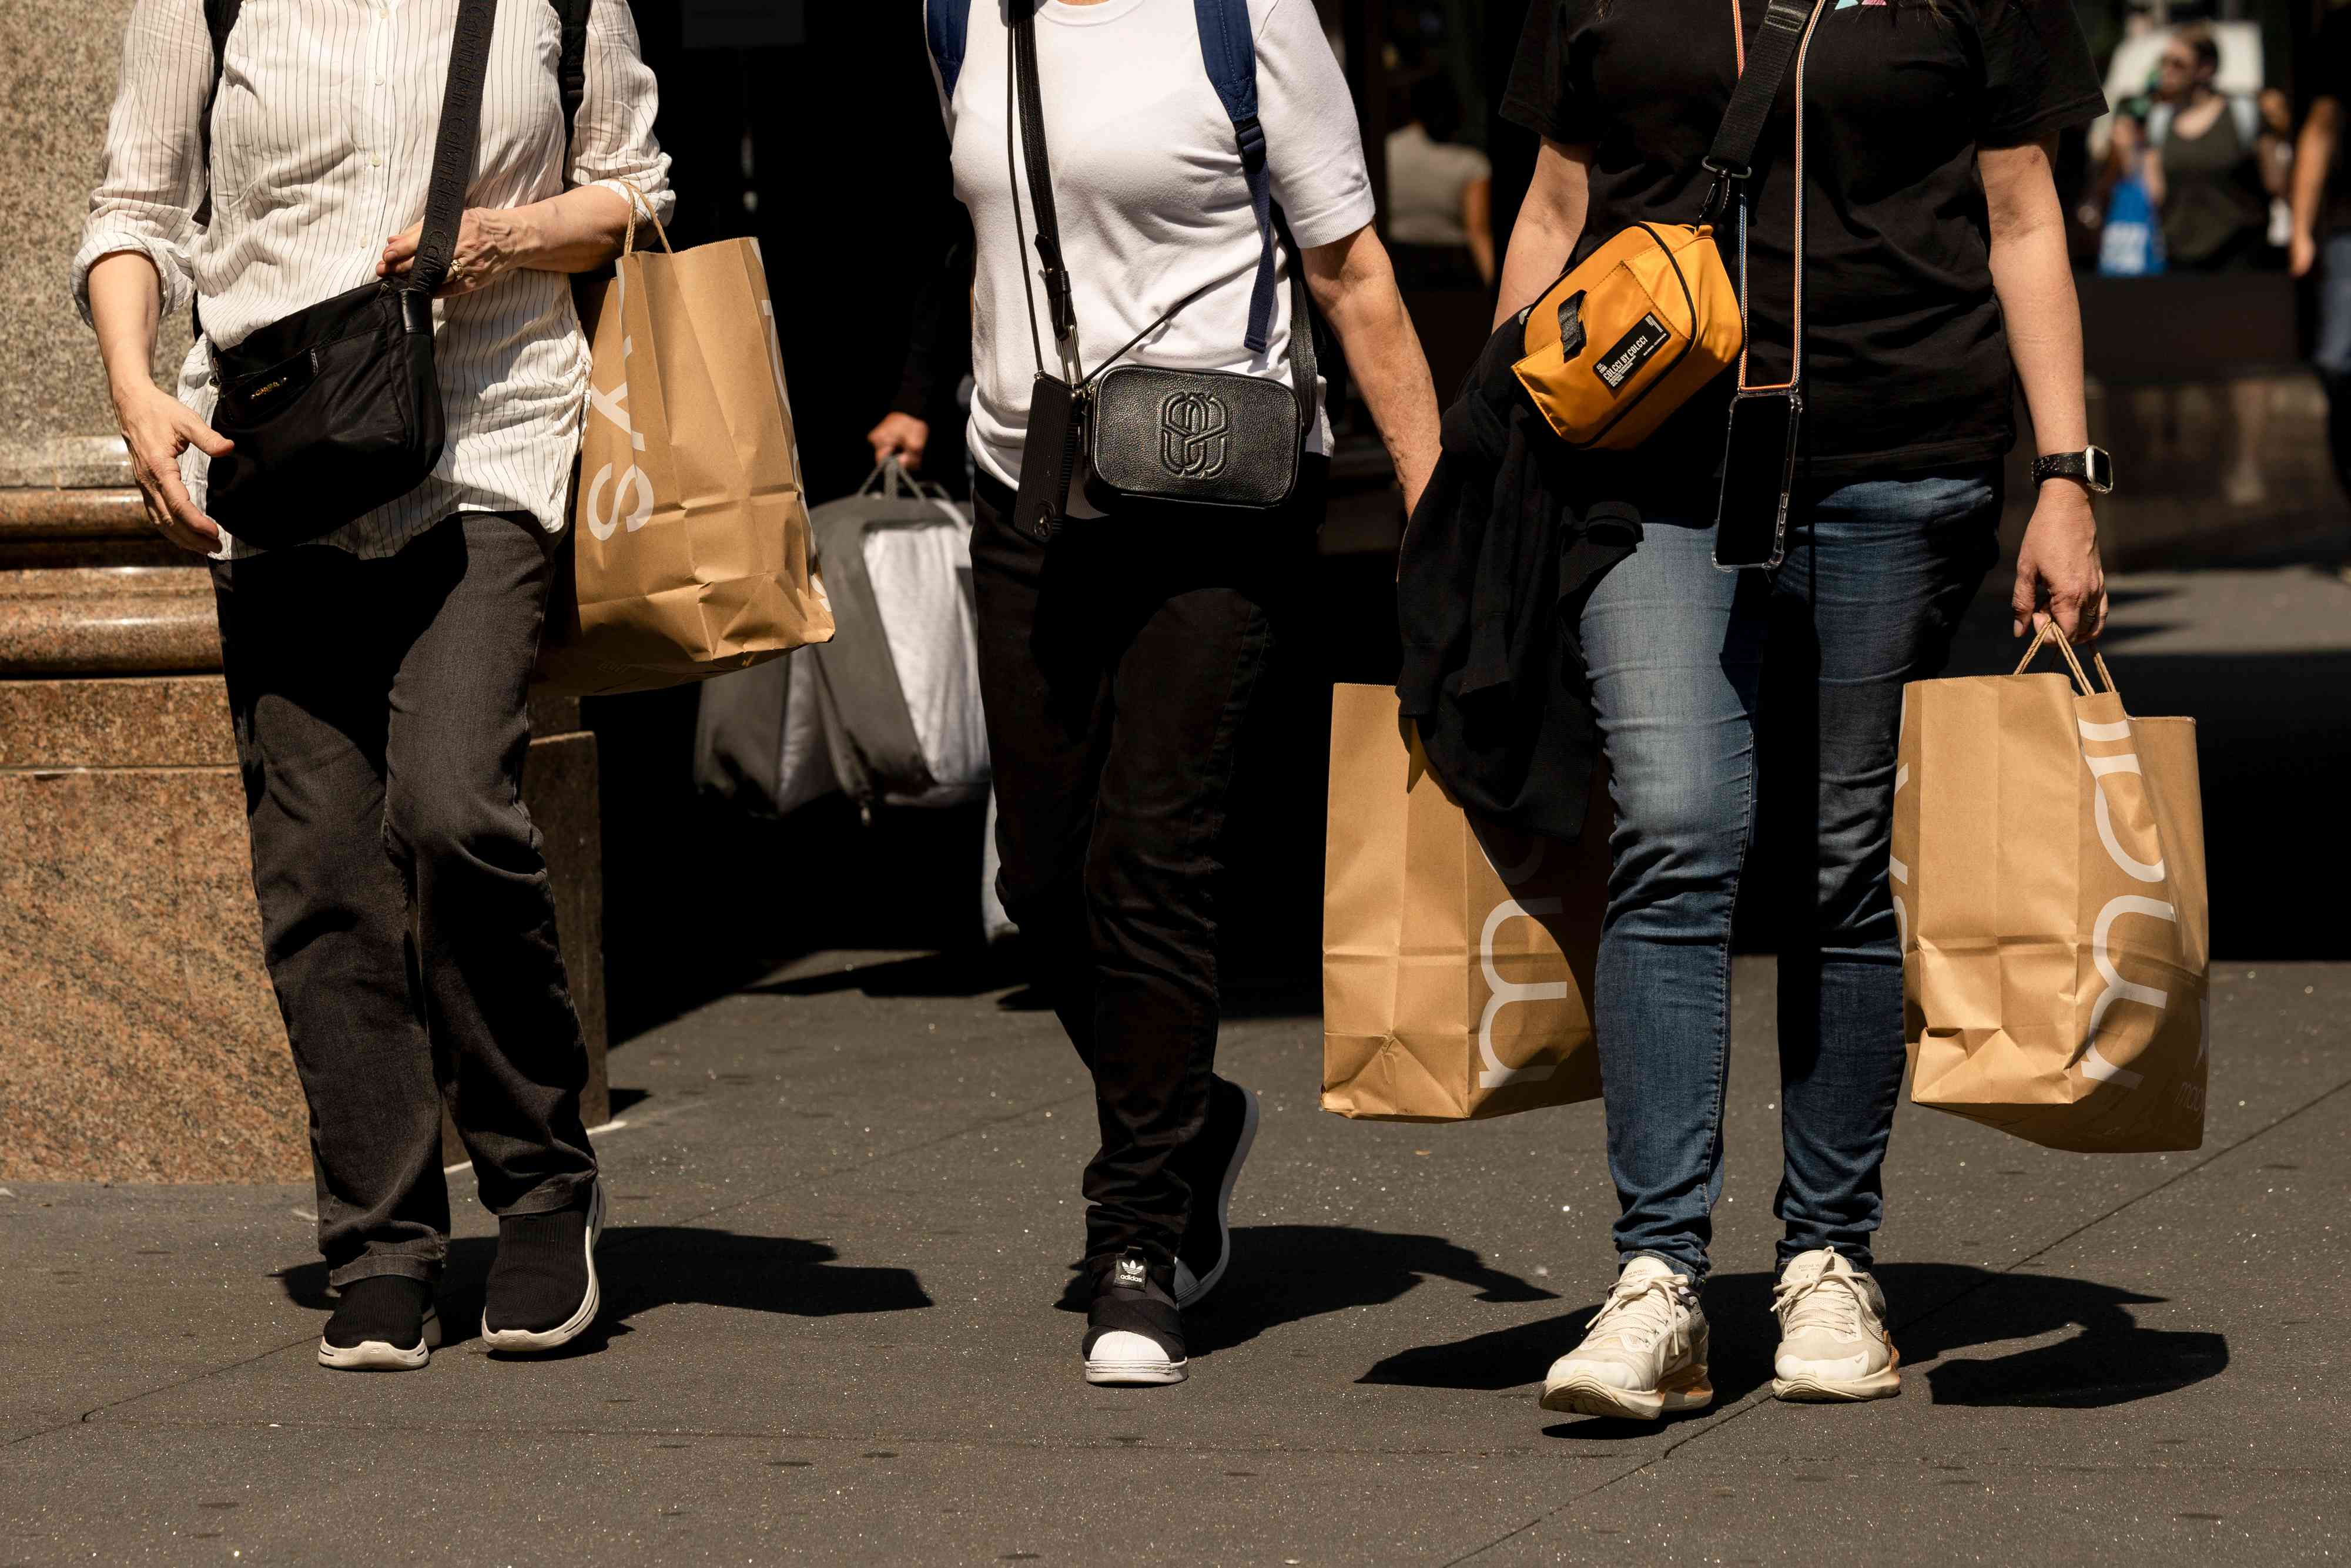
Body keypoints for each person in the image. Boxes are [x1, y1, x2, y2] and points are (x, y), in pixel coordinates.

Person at [1491, 0, 2109, 1418]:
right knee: (1676, 819)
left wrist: (2066, 475)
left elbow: (2020, 218)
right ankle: (1656, 1281)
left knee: (1840, 858)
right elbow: (1552, 206)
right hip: (1644, 460)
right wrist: (1496, 455)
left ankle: (1826, 1259)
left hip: (1899, 453)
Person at [74, 0, 671, 1370]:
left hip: (490, 427)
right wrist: (133, 391)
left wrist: (503, 236)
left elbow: (633, 195)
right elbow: (136, 211)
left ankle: (538, 1187)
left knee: (457, 805)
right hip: (280, 446)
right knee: (322, 864)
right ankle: (383, 1239)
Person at [926, 0, 1441, 1386]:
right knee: (1039, 879)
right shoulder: (962, 16)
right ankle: (1190, 1117)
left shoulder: (1245, 16)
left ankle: (1137, 1237)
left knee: (1151, 852)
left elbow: (1350, 273)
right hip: (1027, 487)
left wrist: (1435, 511)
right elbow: (995, 243)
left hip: (1215, 487)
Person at [2291, 11, 2351, 554]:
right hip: (2348, 231)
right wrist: (2301, 229)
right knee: (2336, 363)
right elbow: (2321, 127)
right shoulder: (2344, 29)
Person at [1385, 75, 1496, 289]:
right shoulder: (1472, 165)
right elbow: (1477, 231)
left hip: (1396, 271)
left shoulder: (1386, 152)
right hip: (1452, 277)